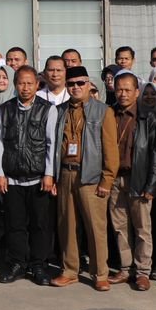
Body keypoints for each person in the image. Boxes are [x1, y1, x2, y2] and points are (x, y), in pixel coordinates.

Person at [52, 65, 118, 291]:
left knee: (96, 227)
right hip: (66, 173)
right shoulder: (60, 110)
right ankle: (70, 270)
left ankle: (100, 273)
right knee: (67, 225)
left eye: (80, 83)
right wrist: (53, 177)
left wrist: (107, 180)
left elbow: (111, 149)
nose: (76, 87)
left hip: (90, 176)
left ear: (89, 84)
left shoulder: (103, 111)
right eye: (71, 84)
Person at [0, 65, 58, 286]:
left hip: (39, 179)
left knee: (40, 225)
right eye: (21, 83)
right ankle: (17, 263)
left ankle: (38, 265)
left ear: (37, 85)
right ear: (15, 84)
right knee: (15, 224)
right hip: (12, 179)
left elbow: (51, 144)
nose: (26, 87)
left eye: (30, 83)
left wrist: (49, 174)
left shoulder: (48, 109)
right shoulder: (5, 109)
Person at [108, 70, 156, 291]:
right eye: (119, 89)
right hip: (114, 179)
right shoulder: (108, 114)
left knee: (142, 228)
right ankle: (126, 267)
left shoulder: (147, 118)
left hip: (138, 178)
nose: (123, 94)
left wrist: (151, 184)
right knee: (120, 227)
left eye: (128, 90)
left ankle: (142, 272)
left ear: (136, 91)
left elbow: (154, 153)